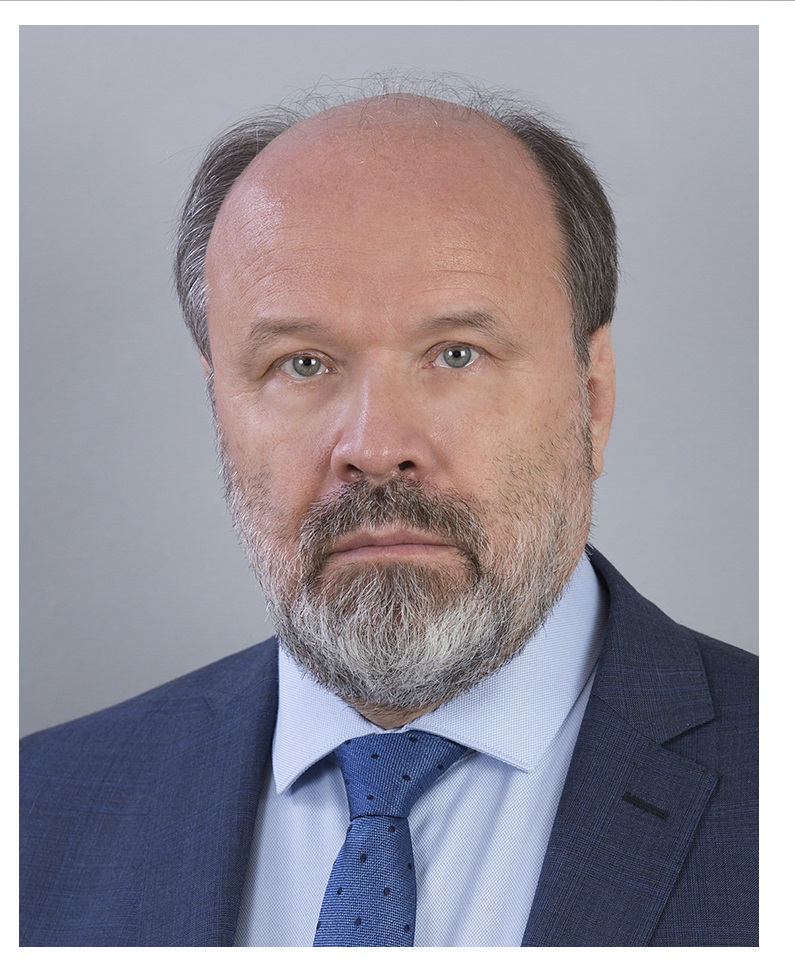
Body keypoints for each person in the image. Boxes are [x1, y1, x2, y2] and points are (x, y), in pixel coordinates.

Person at [19, 81, 757, 947]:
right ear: (219, 407)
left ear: (591, 399)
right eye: (302, 363)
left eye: (456, 354)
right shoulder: (35, 813)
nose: (374, 446)